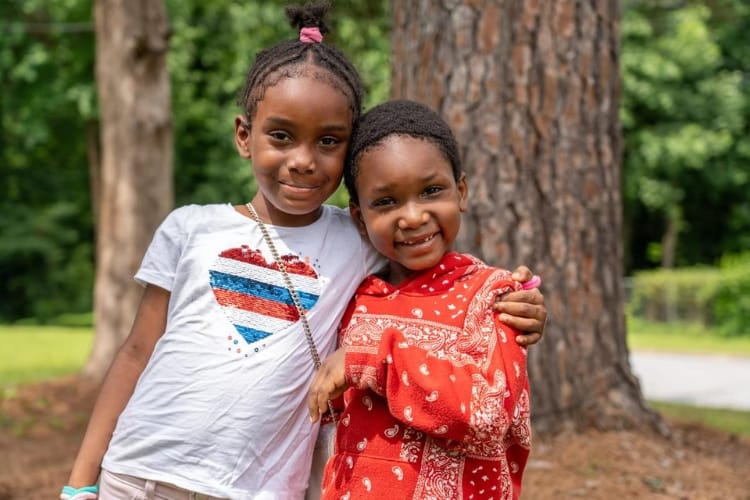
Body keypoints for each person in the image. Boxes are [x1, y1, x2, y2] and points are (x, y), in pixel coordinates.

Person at [64, 4, 546, 500]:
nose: (302, 161)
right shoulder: (189, 228)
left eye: (328, 141)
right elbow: (136, 353)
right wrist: (80, 483)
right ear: (244, 136)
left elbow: (433, 265)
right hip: (137, 472)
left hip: (255, 490)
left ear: (348, 154)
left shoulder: (356, 238)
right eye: (281, 136)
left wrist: (515, 300)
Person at [307, 100, 534, 499]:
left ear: (460, 191)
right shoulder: (358, 299)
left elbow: (487, 416)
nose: (412, 217)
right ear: (359, 219)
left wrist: (373, 357)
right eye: (386, 202)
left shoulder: (495, 296)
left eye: (431, 191)